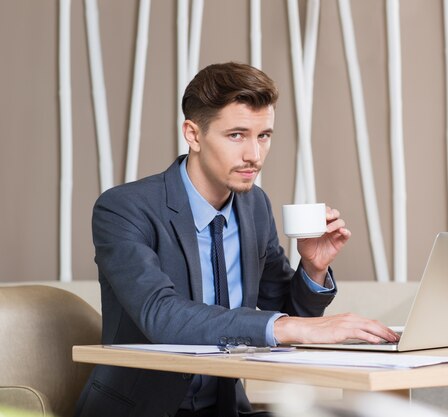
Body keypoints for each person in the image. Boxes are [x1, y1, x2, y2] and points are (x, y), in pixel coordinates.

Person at [74, 62, 399, 417]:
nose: (254, 156)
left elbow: (289, 312)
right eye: (237, 135)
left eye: (264, 136)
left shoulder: (253, 206)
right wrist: (289, 325)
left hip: (227, 408)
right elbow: (160, 315)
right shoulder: (123, 208)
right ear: (193, 134)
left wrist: (313, 267)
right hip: (141, 410)